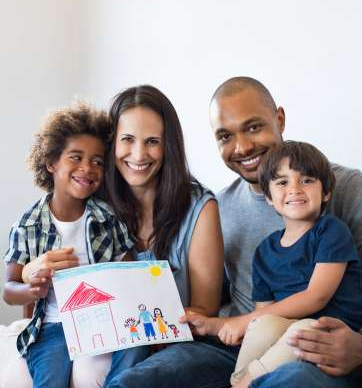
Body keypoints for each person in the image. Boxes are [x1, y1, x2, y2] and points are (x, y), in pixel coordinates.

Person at [182, 76, 362, 388]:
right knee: (158, 373)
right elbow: (216, 299)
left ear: (279, 119)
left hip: (325, 351)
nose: (242, 147)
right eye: (225, 136)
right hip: (246, 345)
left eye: (254, 127)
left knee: (293, 378)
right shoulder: (219, 208)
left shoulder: (345, 189)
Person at [8, 85, 224, 388]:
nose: (138, 154)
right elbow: (36, 280)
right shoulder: (92, 201)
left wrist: (149, 328)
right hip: (90, 330)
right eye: (127, 140)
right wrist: (31, 271)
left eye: (152, 142)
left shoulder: (200, 207)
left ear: (168, 147)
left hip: (166, 339)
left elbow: (204, 310)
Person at [2, 103, 134, 388]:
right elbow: (9, 290)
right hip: (51, 326)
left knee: (124, 362)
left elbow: (130, 265)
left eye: (98, 161)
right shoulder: (27, 225)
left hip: (101, 321)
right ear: (51, 163)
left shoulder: (107, 218)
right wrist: (32, 289)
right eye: (76, 157)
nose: (87, 168)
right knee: (50, 378)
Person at [228, 140, 362, 387]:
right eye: (282, 182)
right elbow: (265, 313)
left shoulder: (331, 231)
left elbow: (316, 297)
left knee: (303, 328)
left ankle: (249, 381)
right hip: (286, 341)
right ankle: (238, 381)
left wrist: (243, 319)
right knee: (263, 325)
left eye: (306, 180)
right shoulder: (264, 251)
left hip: (332, 340)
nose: (294, 189)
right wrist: (253, 321)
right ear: (269, 197)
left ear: (326, 192)